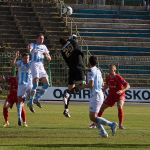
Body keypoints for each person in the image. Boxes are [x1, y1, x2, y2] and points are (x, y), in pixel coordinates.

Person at [86, 56, 118, 138]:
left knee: (93, 117)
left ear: (89, 62)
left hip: (96, 95)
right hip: (99, 94)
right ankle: (103, 132)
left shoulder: (91, 71)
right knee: (94, 117)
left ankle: (111, 124)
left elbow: (91, 85)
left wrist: (81, 86)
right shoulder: (98, 70)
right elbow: (102, 83)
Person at [59, 34, 86, 118]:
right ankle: (68, 92)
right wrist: (82, 57)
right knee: (83, 85)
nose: (77, 40)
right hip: (79, 68)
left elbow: (67, 61)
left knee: (70, 88)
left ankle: (66, 108)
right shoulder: (73, 42)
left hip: (71, 69)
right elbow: (79, 51)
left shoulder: (62, 50)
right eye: (76, 39)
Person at [97, 64, 130, 129]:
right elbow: (106, 85)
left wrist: (122, 90)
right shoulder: (108, 77)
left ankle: (120, 125)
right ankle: (95, 122)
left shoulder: (118, 77)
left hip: (119, 95)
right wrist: (102, 90)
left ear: (115, 70)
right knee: (101, 108)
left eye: (111, 69)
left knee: (119, 106)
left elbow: (128, 86)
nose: (110, 70)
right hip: (111, 96)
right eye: (109, 69)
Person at [27, 33, 51, 113]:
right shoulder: (33, 44)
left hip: (41, 65)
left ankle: (36, 99)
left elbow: (49, 58)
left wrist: (46, 55)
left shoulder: (44, 47)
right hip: (34, 64)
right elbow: (29, 49)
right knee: (36, 83)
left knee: (47, 84)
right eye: (40, 38)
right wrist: (29, 49)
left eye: (43, 39)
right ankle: (30, 102)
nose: (42, 40)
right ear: (37, 39)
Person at [12, 51, 32, 126]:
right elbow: (13, 64)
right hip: (21, 85)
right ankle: (19, 117)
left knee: (32, 93)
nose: (26, 59)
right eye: (25, 58)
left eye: (27, 58)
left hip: (29, 84)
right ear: (22, 58)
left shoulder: (31, 63)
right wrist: (15, 56)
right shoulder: (20, 62)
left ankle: (31, 103)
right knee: (19, 101)